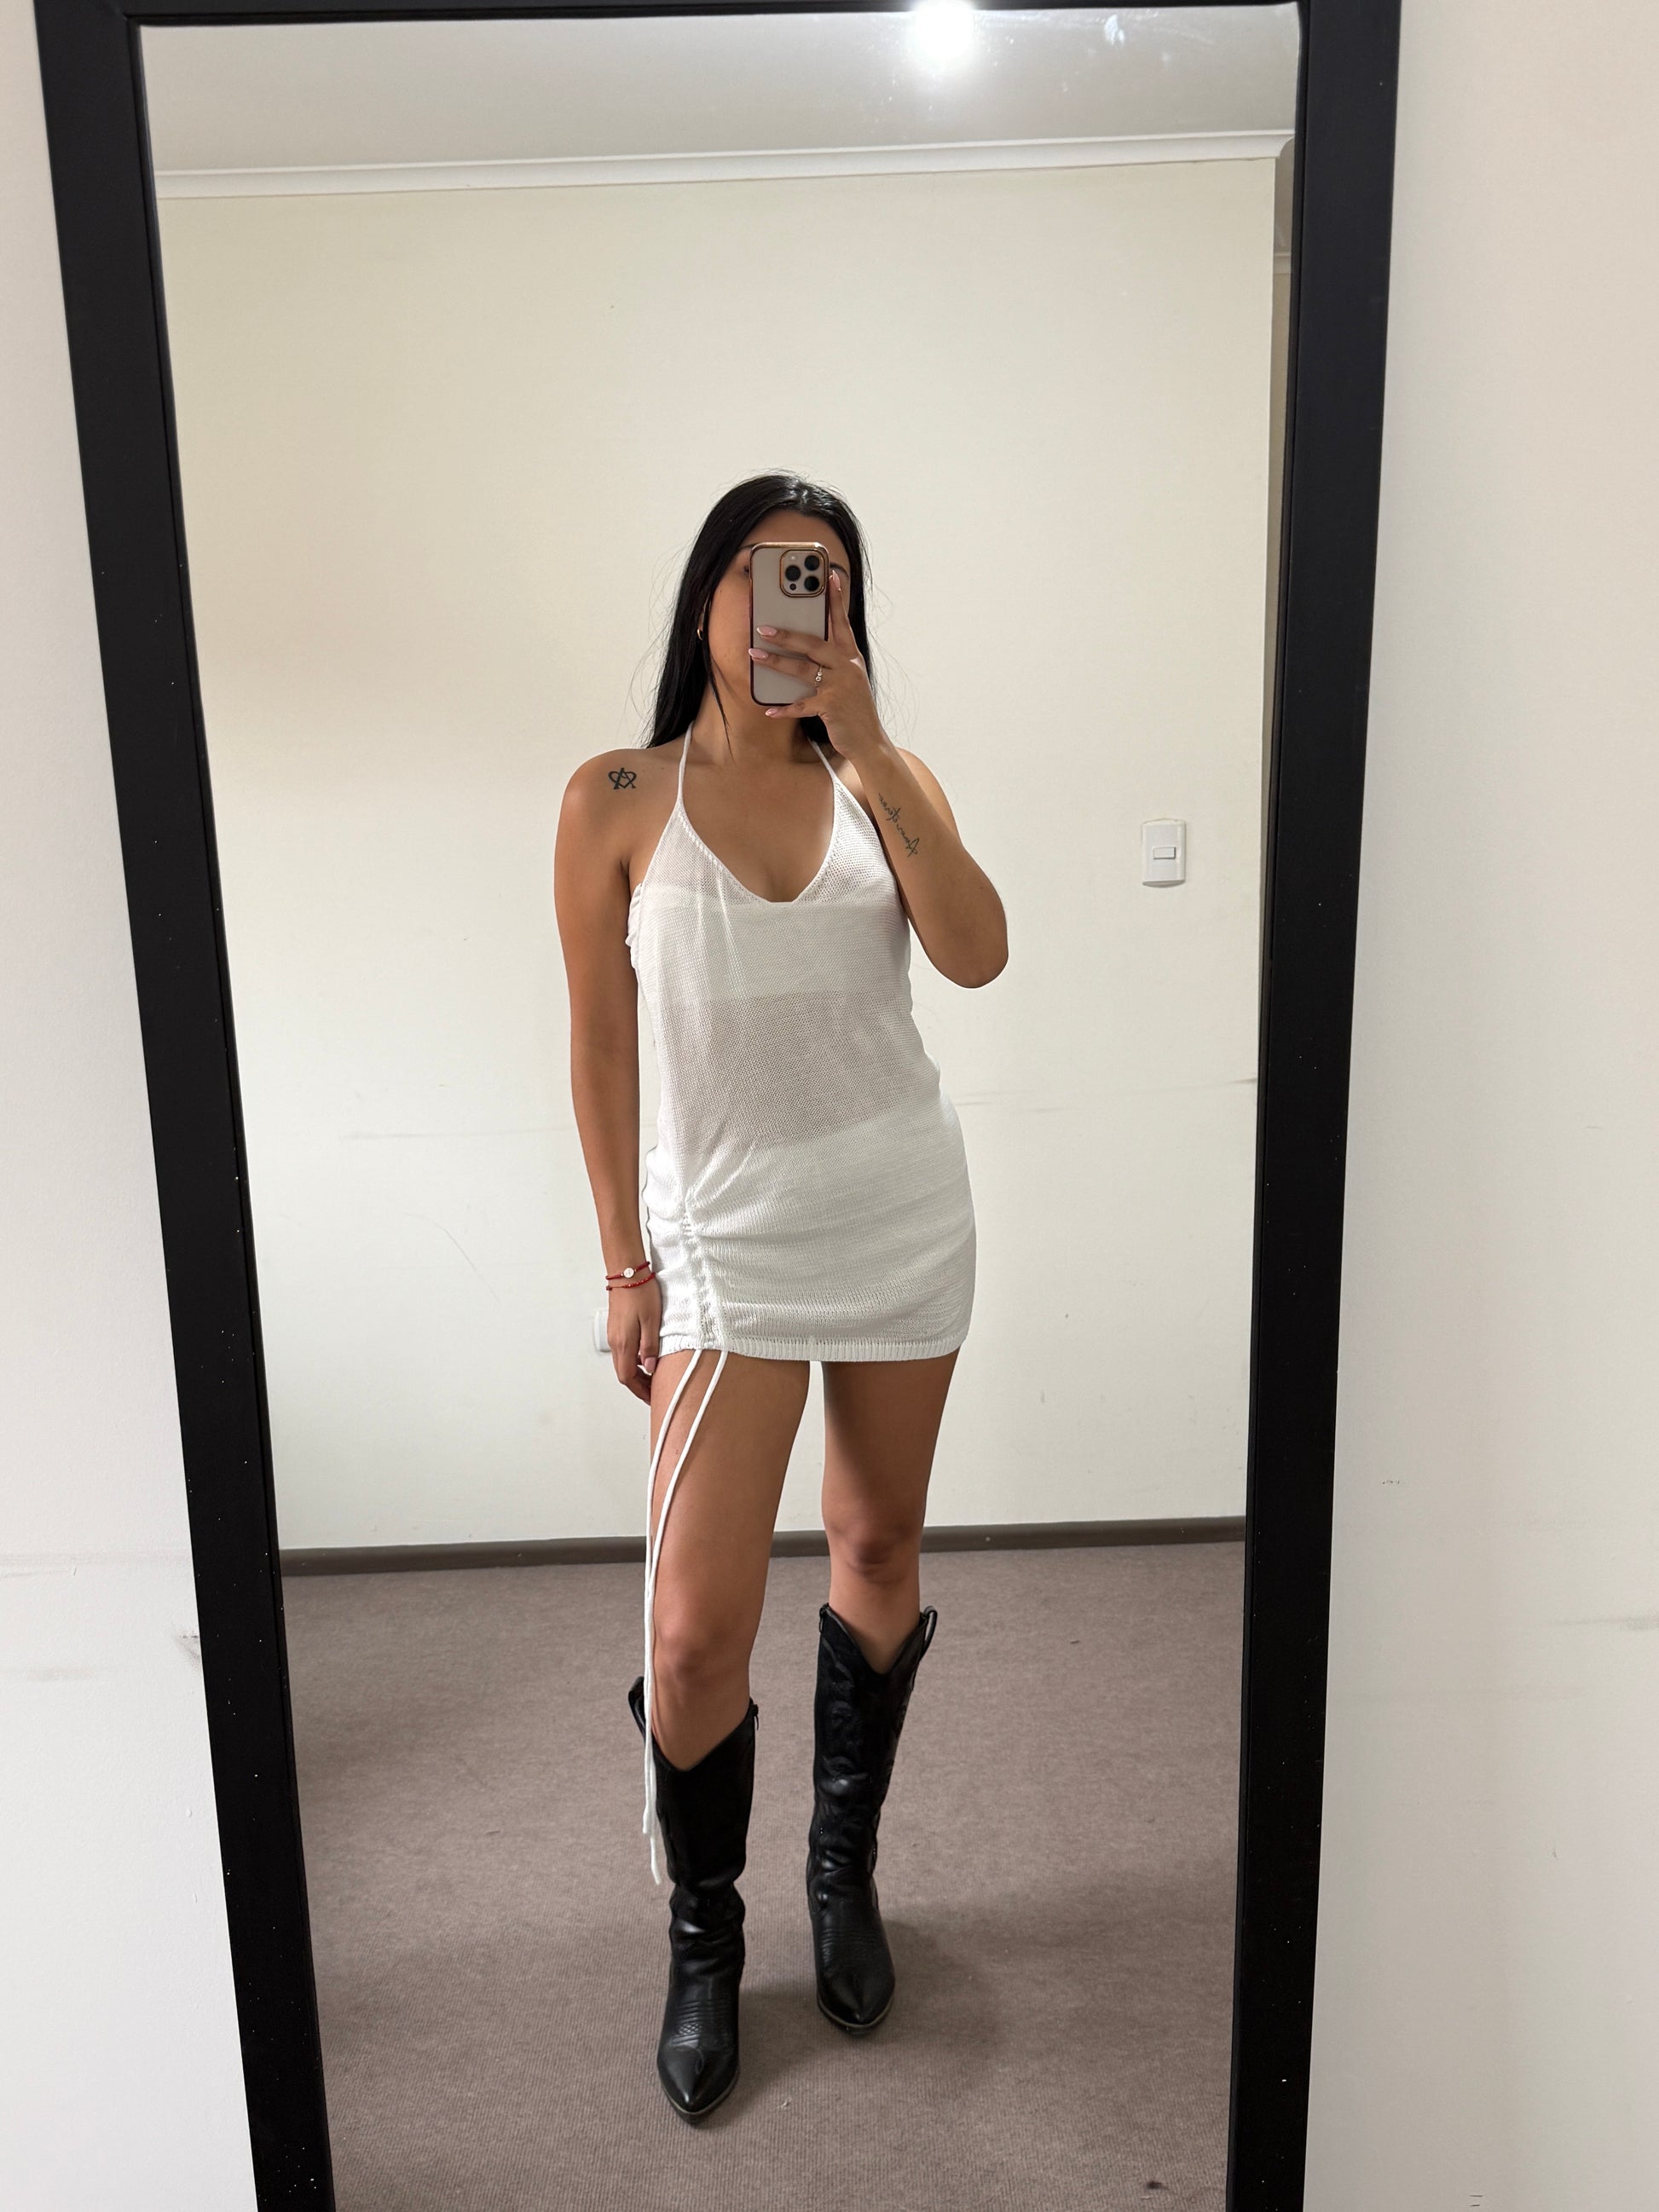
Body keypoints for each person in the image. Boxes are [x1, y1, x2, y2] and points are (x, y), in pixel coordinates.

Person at [554, 472, 1008, 2122]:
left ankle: (840, 1873)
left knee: (877, 1548)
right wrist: (624, 1262)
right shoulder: (616, 798)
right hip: (722, 1252)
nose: (788, 603)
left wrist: (871, 751)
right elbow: (601, 1046)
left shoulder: (891, 781)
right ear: (706, 602)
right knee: (692, 1633)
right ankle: (704, 1934)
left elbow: (977, 953)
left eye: (822, 577)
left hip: (897, 1217)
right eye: (763, 573)